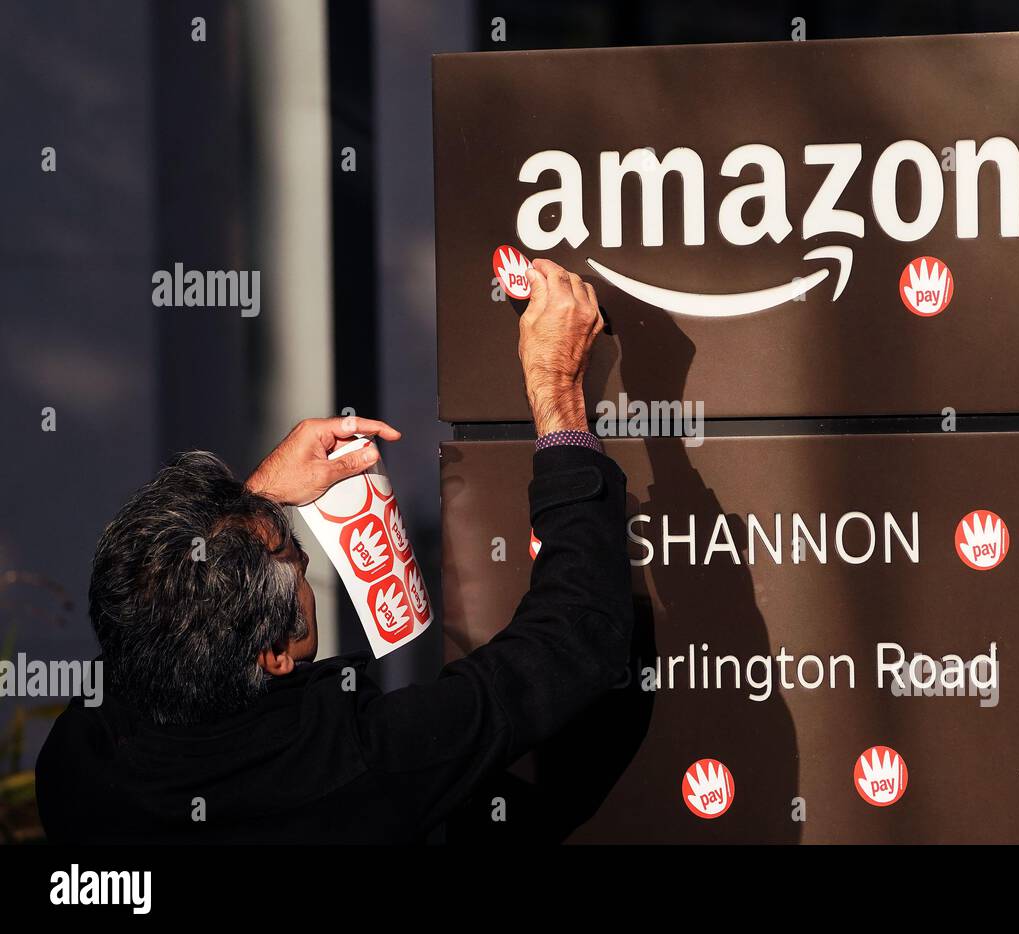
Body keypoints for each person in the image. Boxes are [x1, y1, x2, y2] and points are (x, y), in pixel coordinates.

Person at [35, 259, 631, 843]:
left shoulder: (77, 767)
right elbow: (574, 639)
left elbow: (149, 625)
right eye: (293, 554)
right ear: (273, 653)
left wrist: (255, 498)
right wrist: (556, 389)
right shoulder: (358, 766)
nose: (304, 556)